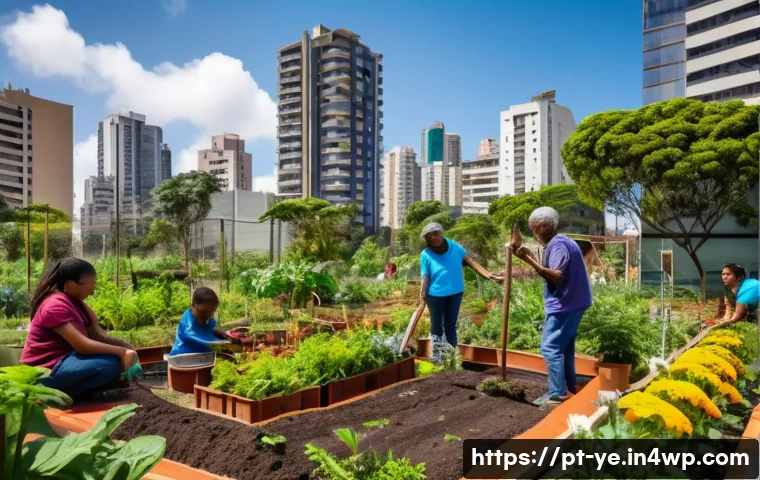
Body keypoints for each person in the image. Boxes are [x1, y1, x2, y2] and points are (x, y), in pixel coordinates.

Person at [20, 257, 139, 399]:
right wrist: (121, 352)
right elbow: (81, 345)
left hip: (66, 361)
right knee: (108, 365)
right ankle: (47, 393)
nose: (93, 288)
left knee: (112, 360)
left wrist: (126, 347)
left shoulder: (75, 301)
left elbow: (96, 333)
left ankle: (78, 391)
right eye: (91, 283)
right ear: (71, 284)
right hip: (45, 370)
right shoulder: (55, 305)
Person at [514, 207, 593, 406]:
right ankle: (569, 387)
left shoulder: (558, 245)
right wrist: (532, 256)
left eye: (533, 227)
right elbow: (553, 270)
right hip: (574, 302)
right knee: (564, 348)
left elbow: (557, 276)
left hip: (565, 304)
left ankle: (557, 393)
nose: (533, 230)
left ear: (537, 227)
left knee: (550, 347)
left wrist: (528, 260)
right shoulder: (562, 242)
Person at [419, 222, 504, 363]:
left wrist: (489, 276)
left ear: (441, 233)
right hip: (435, 296)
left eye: (436, 234)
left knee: (450, 325)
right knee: (436, 326)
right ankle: (437, 359)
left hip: (455, 293)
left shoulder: (454, 246)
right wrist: (422, 296)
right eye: (430, 236)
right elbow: (425, 277)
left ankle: (452, 358)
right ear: (426, 239)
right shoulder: (425, 254)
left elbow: (471, 262)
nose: (434, 238)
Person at [169, 287, 237, 356]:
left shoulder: (205, 317)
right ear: (193, 306)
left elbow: (206, 329)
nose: (209, 316)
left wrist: (224, 334)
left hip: (204, 356)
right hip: (183, 357)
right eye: (203, 313)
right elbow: (203, 340)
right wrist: (225, 344)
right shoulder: (188, 327)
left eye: (213, 311)